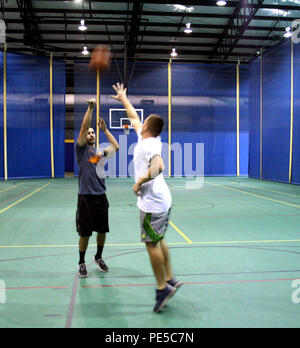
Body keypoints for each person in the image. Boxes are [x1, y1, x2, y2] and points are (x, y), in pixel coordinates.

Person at [111, 83, 183, 313]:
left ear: (147, 127)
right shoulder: (147, 138)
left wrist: (139, 182)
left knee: (151, 243)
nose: (139, 123)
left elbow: (159, 166)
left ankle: (162, 289)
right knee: (159, 239)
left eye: (144, 121)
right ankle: (170, 279)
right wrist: (123, 98)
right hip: (163, 201)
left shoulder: (150, 144)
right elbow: (132, 115)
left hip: (152, 205)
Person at [75, 99, 119, 278]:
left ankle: (98, 257)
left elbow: (116, 147)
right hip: (85, 197)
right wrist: (90, 108)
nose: (91, 134)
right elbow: (84, 127)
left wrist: (106, 130)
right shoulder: (81, 150)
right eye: (89, 133)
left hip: (101, 197)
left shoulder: (98, 154)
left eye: (94, 133)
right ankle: (81, 262)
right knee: (85, 234)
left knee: (102, 231)